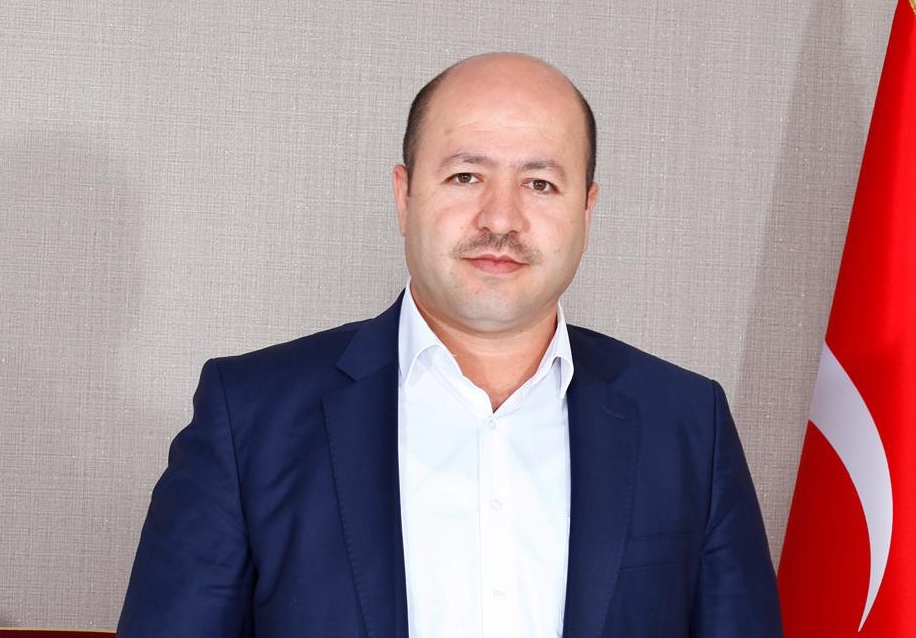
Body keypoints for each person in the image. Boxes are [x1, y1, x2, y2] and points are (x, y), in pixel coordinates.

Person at [117, 52, 783, 638]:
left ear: (586, 211)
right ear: (404, 195)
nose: (501, 218)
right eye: (466, 176)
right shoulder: (250, 419)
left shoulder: (686, 425)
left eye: (540, 183)